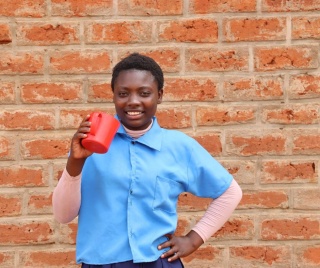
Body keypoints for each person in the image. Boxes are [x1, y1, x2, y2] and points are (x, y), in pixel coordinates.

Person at [52, 53, 242, 268]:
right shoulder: (89, 147)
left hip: (157, 262)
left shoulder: (179, 146)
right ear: (113, 95)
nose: (133, 101)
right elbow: (63, 216)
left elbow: (230, 192)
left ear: (159, 95)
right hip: (101, 263)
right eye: (123, 93)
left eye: (144, 93)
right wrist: (75, 164)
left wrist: (194, 239)